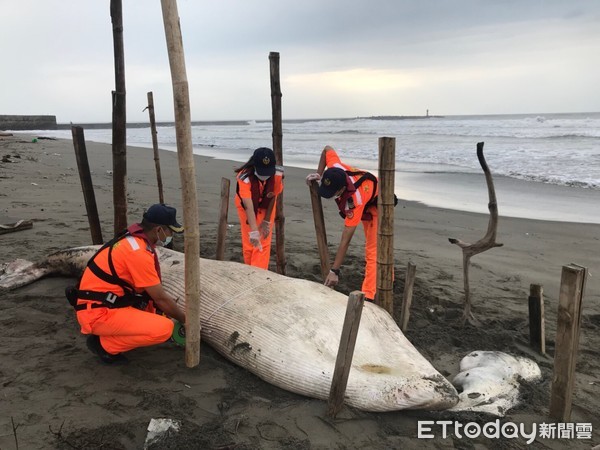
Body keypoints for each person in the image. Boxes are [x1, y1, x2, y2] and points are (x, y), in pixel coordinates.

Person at [68, 203, 186, 365]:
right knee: (164, 329)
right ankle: (104, 345)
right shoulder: (138, 253)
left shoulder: (132, 240)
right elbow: (160, 298)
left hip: (102, 303)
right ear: (158, 230)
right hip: (97, 312)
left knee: (153, 313)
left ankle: (108, 334)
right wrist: (184, 319)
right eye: (169, 231)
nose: (171, 235)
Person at [306, 145, 380, 301]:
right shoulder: (334, 168)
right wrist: (319, 174)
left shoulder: (355, 201)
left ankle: (370, 294)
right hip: (365, 191)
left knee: (373, 250)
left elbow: (345, 240)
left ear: (341, 190)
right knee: (374, 249)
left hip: (377, 202)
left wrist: (335, 271)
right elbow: (327, 149)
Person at [234, 147, 284, 269]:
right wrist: (254, 231)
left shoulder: (277, 175)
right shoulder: (244, 177)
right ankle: (250, 269)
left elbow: (273, 196)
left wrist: (266, 221)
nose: (265, 176)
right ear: (254, 166)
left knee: (264, 240)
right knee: (250, 239)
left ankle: (259, 272)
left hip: (266, 205)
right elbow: (248, 205)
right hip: (247, 205)